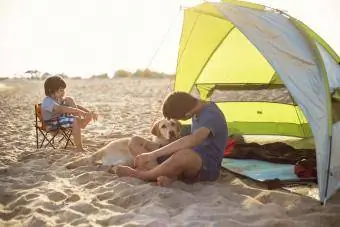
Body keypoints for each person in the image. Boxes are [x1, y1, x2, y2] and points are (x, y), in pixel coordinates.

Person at [116, 91, 228, 186]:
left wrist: (152, 155)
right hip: (185, 156)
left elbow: (193, 140)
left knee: (184, 154)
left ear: (187, 114)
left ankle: (144, 175)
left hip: (206, 166)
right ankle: (162, 173)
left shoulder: (211, 115)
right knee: (135, 141)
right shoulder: (197, 110)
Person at [41, 75, 98, 152]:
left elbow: (75, 107)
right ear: (51, 90)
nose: (63, 93)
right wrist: (80, 112)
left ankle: (83, 120)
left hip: (61, 120)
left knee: (68, 99)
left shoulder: (57, 99)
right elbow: (60, 109)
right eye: (60, 91)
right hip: (52, 124)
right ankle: (79, 148)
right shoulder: (48, 101)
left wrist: (87, 112)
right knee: (74, 120)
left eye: (63, 90)